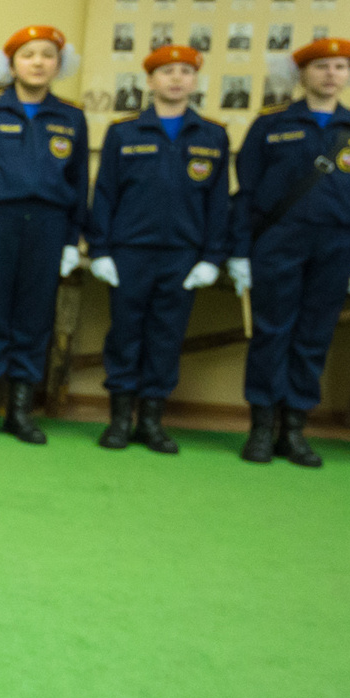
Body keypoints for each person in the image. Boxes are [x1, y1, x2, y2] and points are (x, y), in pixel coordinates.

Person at [231, 38, 350, 468]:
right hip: (279, 240)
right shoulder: (270, 124)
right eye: (321, 66)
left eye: (339, 66)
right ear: (302, 74)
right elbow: (246, 193)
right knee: (272, 332)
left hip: (337, 244)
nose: (331, 74)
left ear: (349, 74)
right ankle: (262, 428)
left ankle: (294, 429)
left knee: (314, 337)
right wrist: (241, 251)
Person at [86, 44, 231, 454]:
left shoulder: (212, 134)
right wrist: (100, 249)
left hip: (183, 256)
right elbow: (105, 195)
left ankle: (151, 422)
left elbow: (219, 203)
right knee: (125, 336)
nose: (176, 78)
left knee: (166, 338)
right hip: (130, 252)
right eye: (167, 71)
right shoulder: (124, 131)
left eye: (186, 71)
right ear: (150, 81)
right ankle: (119, 421)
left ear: (194, 81)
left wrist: (211, 257)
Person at [0, 27, 90, 445]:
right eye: (28, 55)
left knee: (34, 319)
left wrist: (71, 240)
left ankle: (23, 413)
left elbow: (79, 183)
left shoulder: (71, 117)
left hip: (48, 226)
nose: (38, 62)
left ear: (58, 65)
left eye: (48, 55)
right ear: (11, 65)